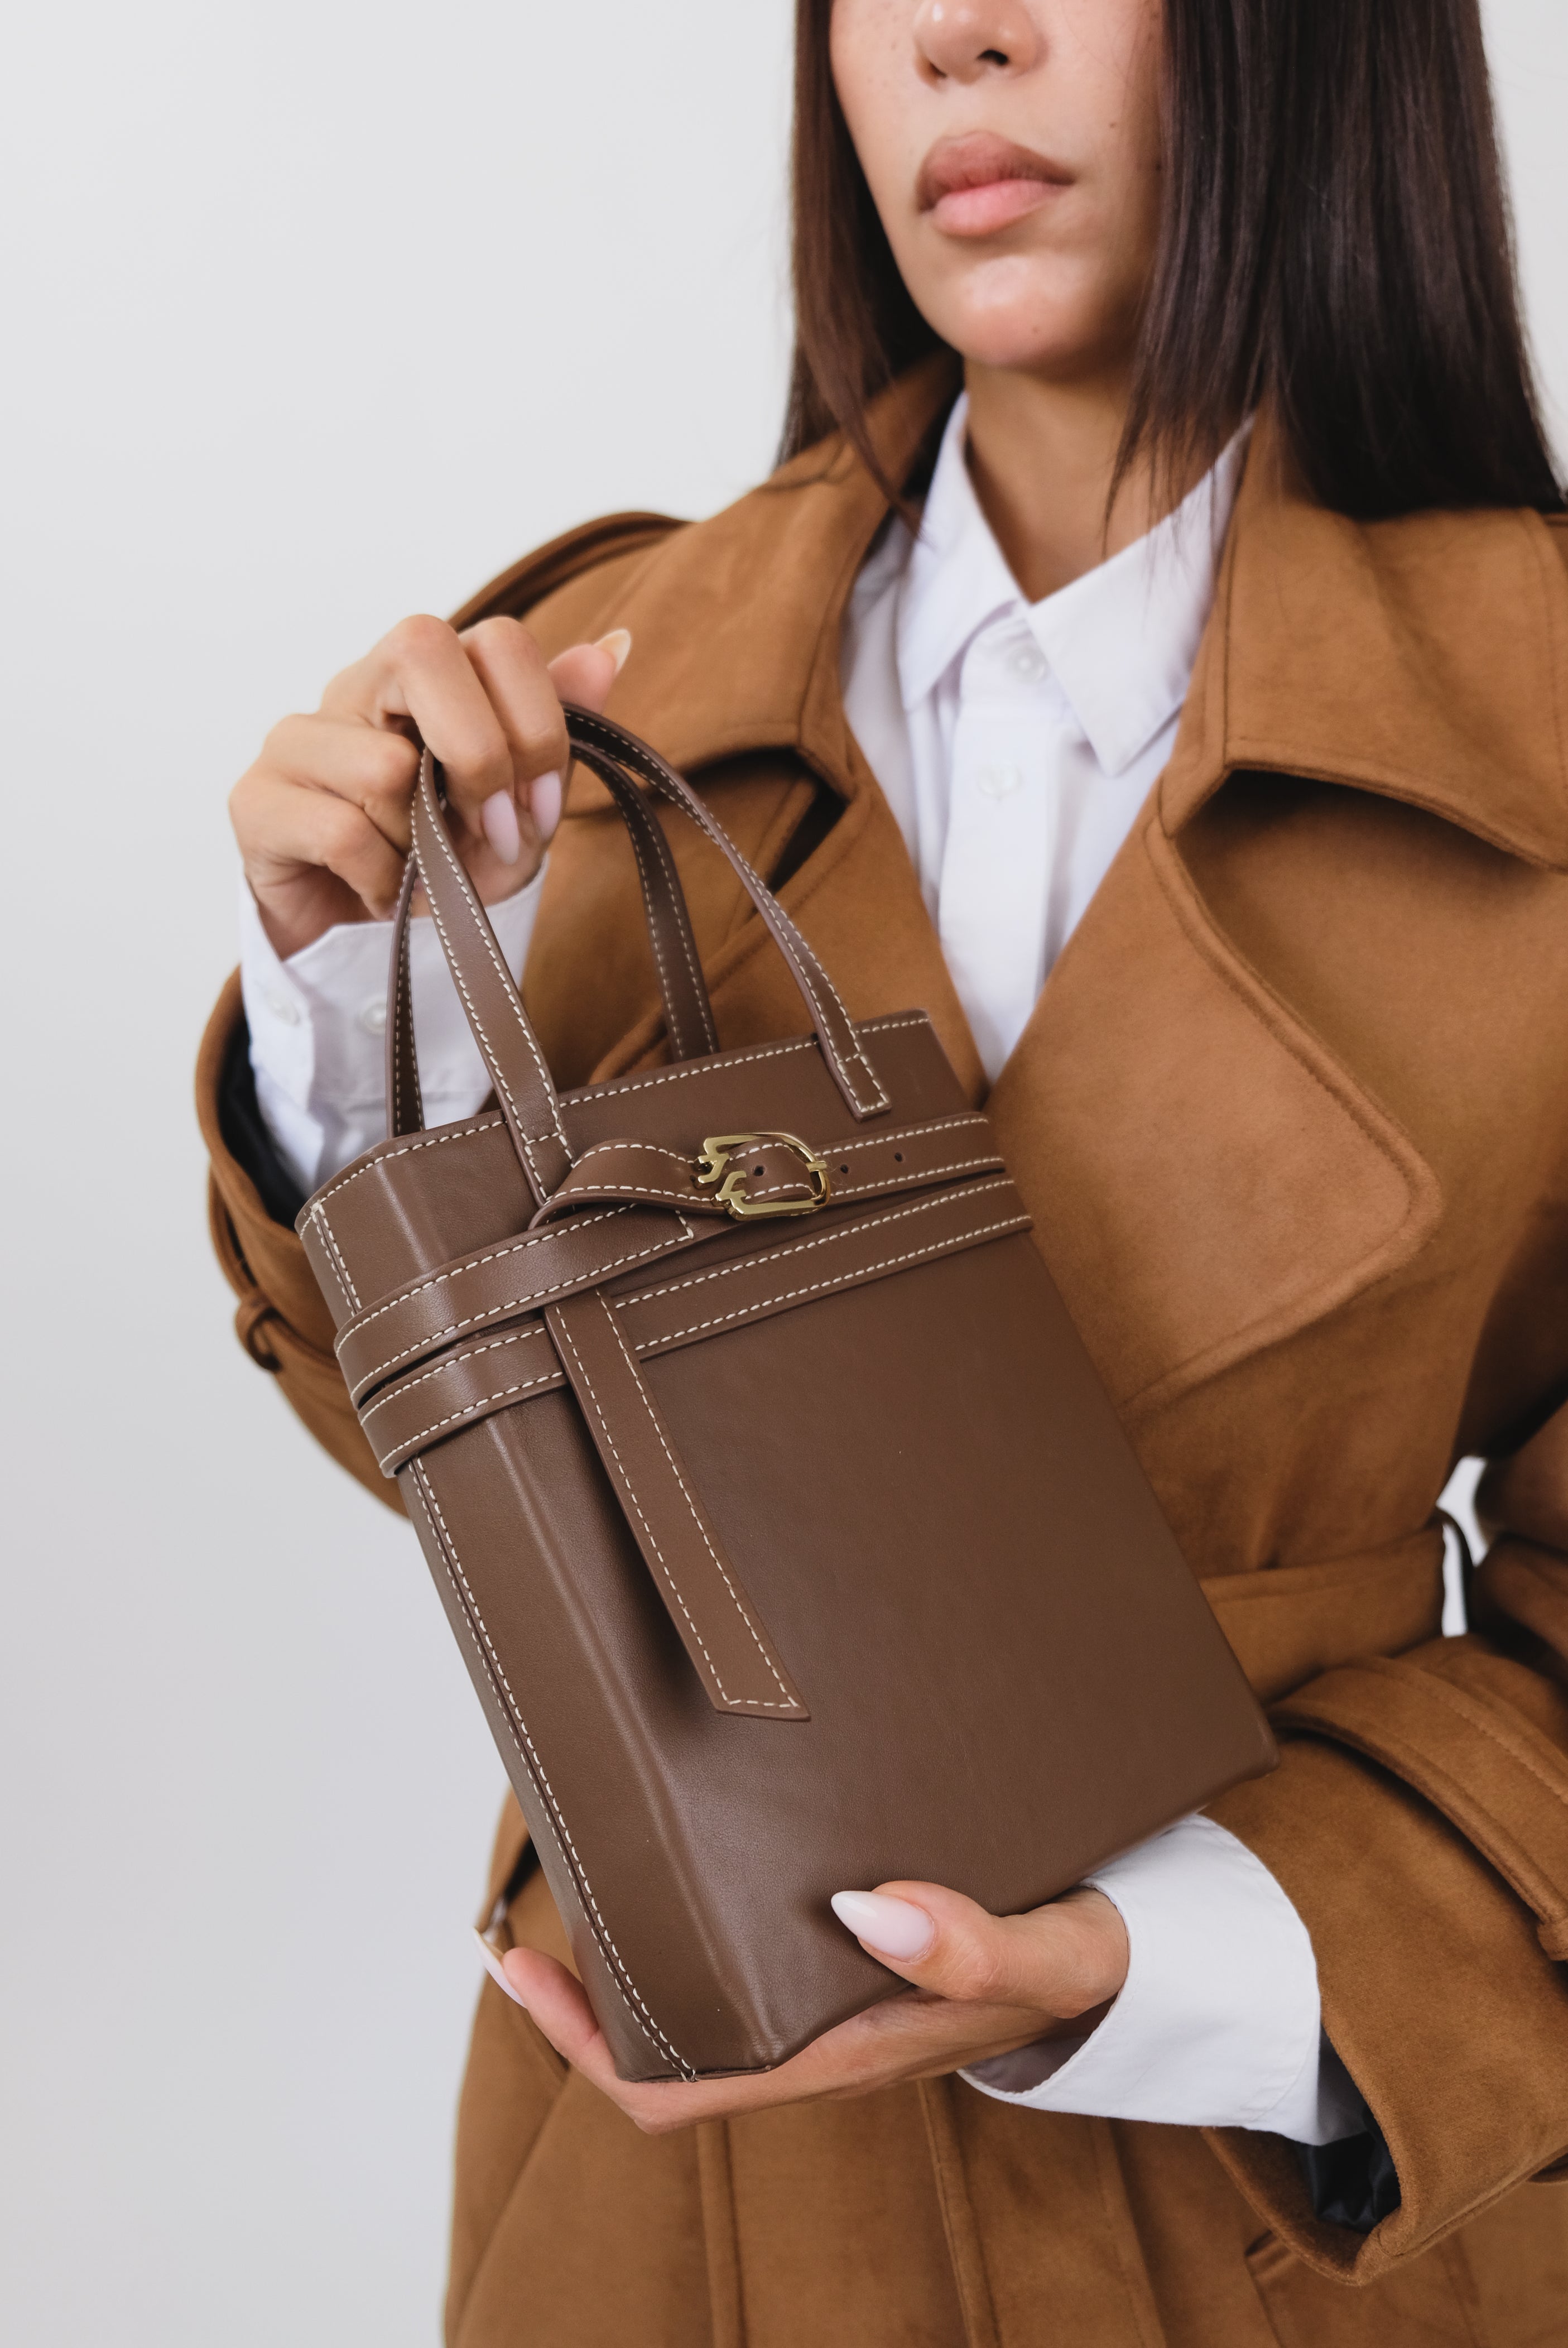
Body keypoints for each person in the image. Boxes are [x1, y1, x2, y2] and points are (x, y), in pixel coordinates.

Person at [199, 1, 1568, 2340]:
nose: (965, 33)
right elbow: (452, 1468)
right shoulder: (604, 696)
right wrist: (364, 1014)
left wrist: (1176, 1953)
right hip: (642, 2175)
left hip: (1272, 2207)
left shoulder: (1527, 726)